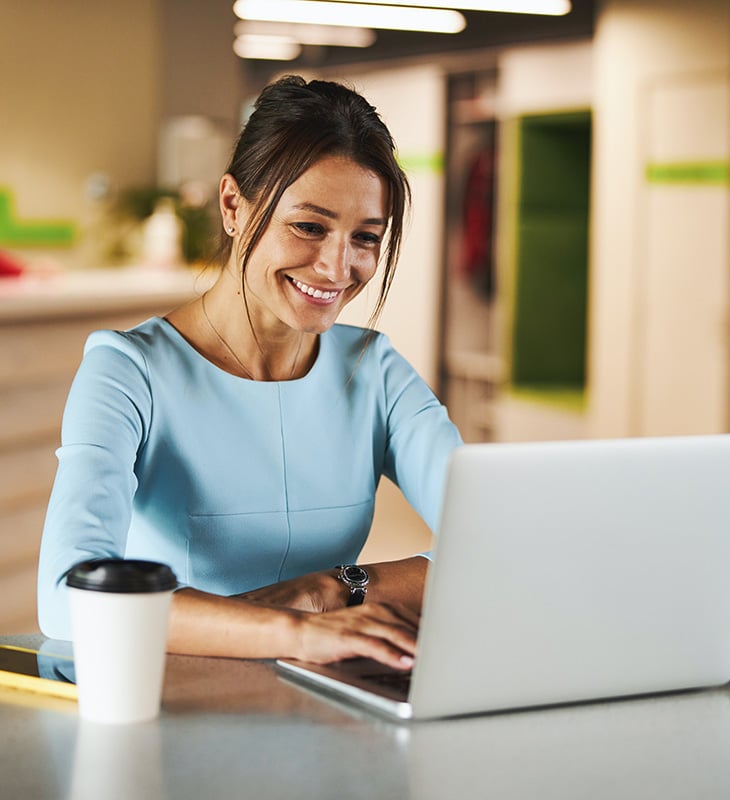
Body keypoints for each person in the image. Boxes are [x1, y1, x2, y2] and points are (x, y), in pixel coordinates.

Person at [37, 76, 462, 671]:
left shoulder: (376, 371)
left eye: (365, 238)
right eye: (309, 227)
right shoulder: (127, 371)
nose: (337, 268)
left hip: (325, 703)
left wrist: (334, 589)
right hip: (178, 698)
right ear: (234, 206)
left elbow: (495, 546)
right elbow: (67, 597)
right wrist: (297, 633)